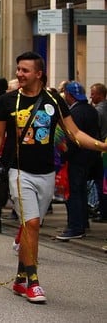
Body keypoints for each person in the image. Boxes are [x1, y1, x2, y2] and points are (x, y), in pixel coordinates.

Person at [0, 51, 107, 304]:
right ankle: (34, 282)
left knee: (31, 227)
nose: (19, 74)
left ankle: (19, 277)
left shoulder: (54, 100)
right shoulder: (7, 101)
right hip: (19, 172)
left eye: (25, 70)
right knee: (32, 224)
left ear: (38, 73)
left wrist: (101, 146)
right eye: (18, 69)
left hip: (46, 173)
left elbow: (74, 133)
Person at [56, 82, 99, 240]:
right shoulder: (91, 110)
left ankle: (76, 226)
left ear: (69, 95)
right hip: (90, 157)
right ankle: (82, 222)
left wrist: (64, 155)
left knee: (74, 192)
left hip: (76, 158)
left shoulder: (73, 113)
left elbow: (73, 137)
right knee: (81, 191)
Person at [90, 83, 107, 223]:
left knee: (100, 182)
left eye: (93, 94)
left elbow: (96, 131)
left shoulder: (97, 112)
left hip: (101, 149)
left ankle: (103, 210)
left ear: (100, 95)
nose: (91, 96)